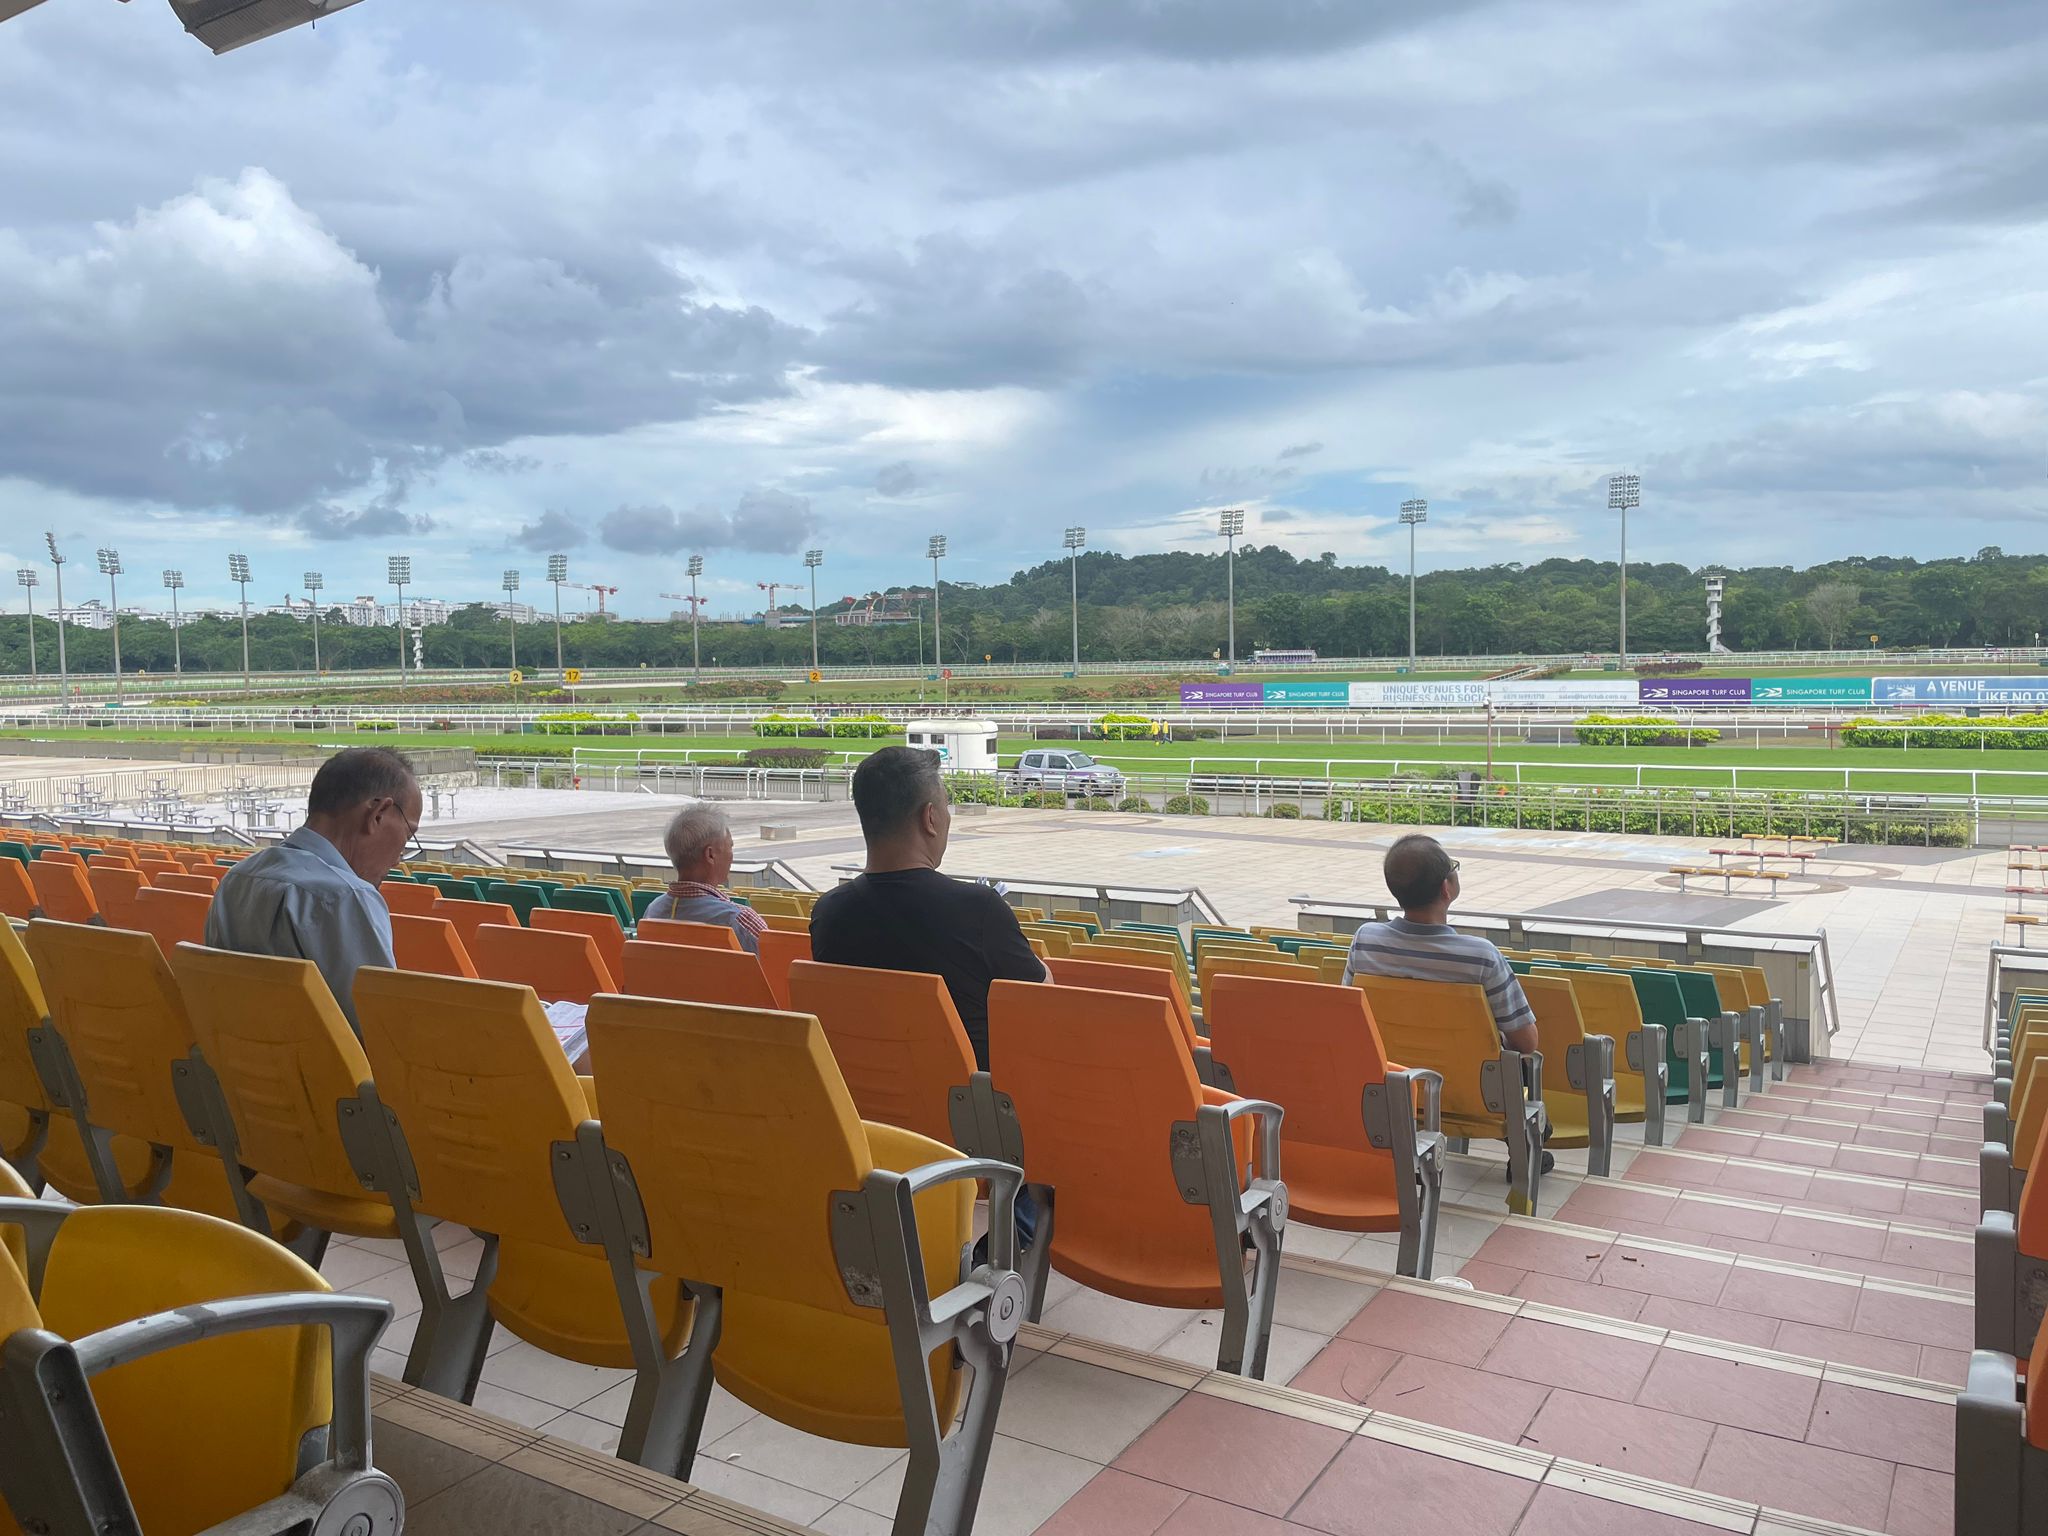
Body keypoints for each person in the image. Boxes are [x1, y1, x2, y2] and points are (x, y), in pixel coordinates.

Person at [811, 745, 1047, 1070]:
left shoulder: (827, 914)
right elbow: (1043, 1001)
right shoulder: (978, 909)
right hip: (973, 1111)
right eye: (946, 807)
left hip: (867, 1107)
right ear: (930, 818)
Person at [1341, 833, 1549, 1173]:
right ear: (1446, 889)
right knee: (1514, 1061)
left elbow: (1351, 1017)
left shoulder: (1366, 942)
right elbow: (1526, 1042)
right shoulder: (1481, 956)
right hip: (1479, 1095)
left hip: (1395, 1087)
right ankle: (1527, 1138)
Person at [205, 746, 419, 1032]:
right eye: (408, 835)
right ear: (378, 814)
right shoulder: (346, 897)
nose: (398, 859)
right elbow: (380, 1032)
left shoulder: (236, 878)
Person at [641, 804, 765, 954]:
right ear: (710, 854)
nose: (732, 856)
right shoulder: (739, 920)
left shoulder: (653, 912)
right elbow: (776, 967)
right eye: (730, 847)